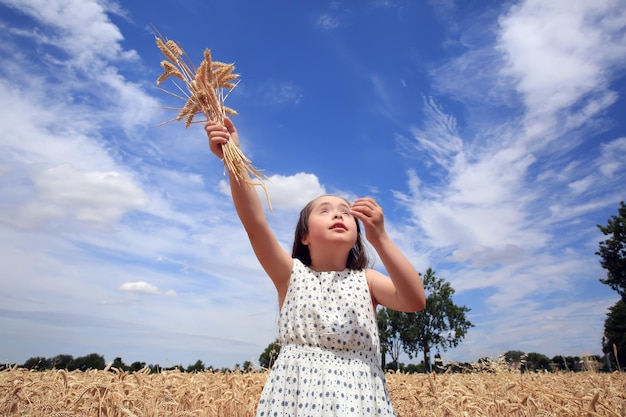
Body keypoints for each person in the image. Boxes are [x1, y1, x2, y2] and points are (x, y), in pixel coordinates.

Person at [205, 117, 426, 417]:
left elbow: (415, 301)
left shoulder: (368, 281)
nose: (338, 215)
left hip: (360, 403)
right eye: (325, 211)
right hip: (292, 400)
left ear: (357, 234)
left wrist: (382, 238)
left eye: (346, 213)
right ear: (305, 236)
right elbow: (255, 225)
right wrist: (233, 157)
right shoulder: (290, 275)